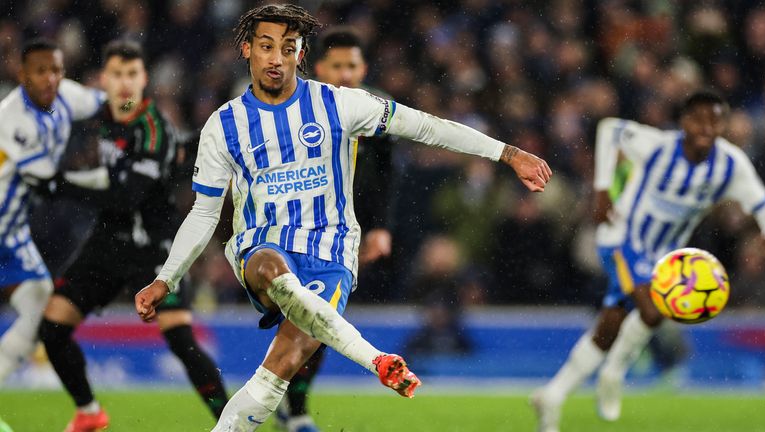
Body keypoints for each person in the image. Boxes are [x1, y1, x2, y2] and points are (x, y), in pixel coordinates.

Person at [134, 4, 551, 431]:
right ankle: (378, 360)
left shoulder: (339, 104)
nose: (276, 58)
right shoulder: (223, 125)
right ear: (247, 51)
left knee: (277, 370)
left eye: (288, 47)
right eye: (266, 47)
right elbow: (204, 212)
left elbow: (426, 126)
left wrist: (508, 153)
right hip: (262, 244)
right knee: (276, 273)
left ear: (301, 53)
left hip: (331, 252)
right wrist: (167, 278)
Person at [531, 91, 765, 432]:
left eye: (715, 119)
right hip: (621, 237)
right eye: (698, 118)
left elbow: (761, 203)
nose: (707, 126)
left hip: (665, 256)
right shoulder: (658, 146)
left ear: (724, 125)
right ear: (684, 122)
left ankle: (553, 394)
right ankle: (613, 374)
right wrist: (602, 190)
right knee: (654, 308)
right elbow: (610, 129)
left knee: (611, 324)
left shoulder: (731, 165)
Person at [38, 39, 228, 432]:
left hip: (152, 250)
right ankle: (89, 412)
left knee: (181, 341)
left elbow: (127, 196)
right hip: (107, 244)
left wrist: (61, 185)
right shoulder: (102, 116)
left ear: (144, 79)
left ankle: (230, 423)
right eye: (117, 75)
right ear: (104, 80)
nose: (124, 83)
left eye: (132, 74)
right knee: (53, 329)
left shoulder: (154, 130)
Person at [274, 26, 398, 432]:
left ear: (363, 68)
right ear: (320, 67)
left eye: (353, 65)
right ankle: (288, 404)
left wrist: (380, 226)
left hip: (343, 233)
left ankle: (289, 405)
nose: (346, 74)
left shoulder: (377, 112)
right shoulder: (293, 107)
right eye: (337, 66)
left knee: (321, 320)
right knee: (312, 321)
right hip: (294, 228)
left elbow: (385, 178)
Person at [0, 38, 103, 388]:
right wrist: (113, 181)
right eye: (40, 71)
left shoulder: (67, 96)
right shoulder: (11, 120)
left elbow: (115, 103)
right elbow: (52, 183)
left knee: (39, 307)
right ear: (22, 75)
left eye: (56, 70)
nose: (49, 79)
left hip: (10, 234)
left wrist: (135, 106)